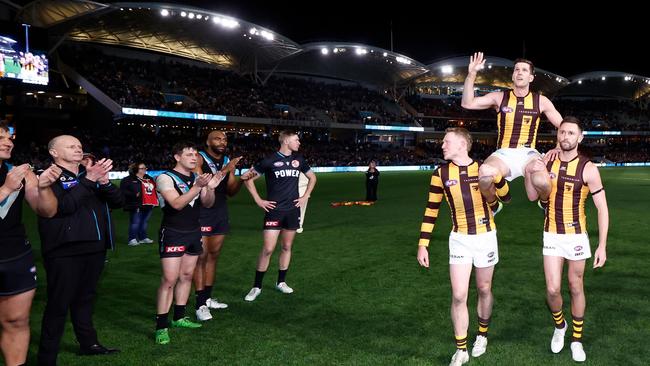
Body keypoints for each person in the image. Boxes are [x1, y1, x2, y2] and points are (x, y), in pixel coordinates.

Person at [417, 128, 509, 366]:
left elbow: (506, 198)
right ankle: (461, 349)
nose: (442, 146)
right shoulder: (440, 173)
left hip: (486, 237)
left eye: (446, 142)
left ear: (461, 144)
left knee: (484, 289)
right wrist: (423, 243)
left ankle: (482, 335)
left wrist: (497, 176)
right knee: (459, 295)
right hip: (459, 239)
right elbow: (431, 209)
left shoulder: (483, 168)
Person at [524, 117, 609, 362]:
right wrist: (530, 173)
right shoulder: (547, 161)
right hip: (551, 233)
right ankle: (560, 326)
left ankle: (577, 339)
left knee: (575, 286)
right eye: (562, 132)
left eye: (571, 133)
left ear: (580, 138)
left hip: (576, 236)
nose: (566, 137)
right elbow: (531, 197)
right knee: (552, 289)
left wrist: (602, 245)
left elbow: (602, 209)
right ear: (557, 135)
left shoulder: (588, 168)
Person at [37, 135, 123, 365]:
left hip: (95, 248)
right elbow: (64, 207)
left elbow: (118, 202)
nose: (78, 149)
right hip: (65, 251)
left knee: (85, 299)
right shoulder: (48, 177)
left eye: (79, 146)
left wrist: (103, 182)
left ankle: (89, 344)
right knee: (58, 304)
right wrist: (90, 180)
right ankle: (47, 358)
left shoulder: (88, 176)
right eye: (71, 146)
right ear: (54, 152)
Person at [461, 52, 562, 206]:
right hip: (504, 154)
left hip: (529, 154)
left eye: (524, 70)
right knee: (484, 174)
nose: (520, 72)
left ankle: (543, 202)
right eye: (516, 70)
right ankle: (495, 204)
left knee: (543, 182)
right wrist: (472, 74)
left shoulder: (541, 101)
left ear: (531, 77)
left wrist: (559, 147)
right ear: (513, 76)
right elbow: (467, 103)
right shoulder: (499, 97)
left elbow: (564, 126)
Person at [0, 122, 59, 366]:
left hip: (15, 256)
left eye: (9, 137)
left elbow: (47, 211)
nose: (8, 141)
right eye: (0, 137)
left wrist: (43, 188)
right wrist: (4, 189)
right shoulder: (11, 180)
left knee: (16, 321)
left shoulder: (19, 172)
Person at [154, 141, 223, 345]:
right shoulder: (165, 177)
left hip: (194, 231)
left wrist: (210, 189)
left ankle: (179, 317)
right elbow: (176, 204)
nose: (194, 158)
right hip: (173, 232)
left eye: (195, 155)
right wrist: (198, 187)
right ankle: (161, 326)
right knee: (169, 279)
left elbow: (208, 203)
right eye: (189, 155)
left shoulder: (196, 177)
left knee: (186, 276)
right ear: (177, 157)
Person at [242, 130, 316, 302]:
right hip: (274, 210)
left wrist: (305, 196)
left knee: (287, 247)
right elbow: (247, 178)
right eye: (296, 139)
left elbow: (312, 178)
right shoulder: (269, 160)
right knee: (268, 249)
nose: (299, 143)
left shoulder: (299, 160)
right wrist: (258, 200)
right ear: (286, 140)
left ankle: (281, 282)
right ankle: (256, 286)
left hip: (292, 210)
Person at [192, 131, 243, 321]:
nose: (222, 142)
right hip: (202, 212)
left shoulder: (227, 160)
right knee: (200, 258)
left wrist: (242, 180)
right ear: (207, 141)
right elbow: (202, 183)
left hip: (220, 213)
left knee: (213, 257)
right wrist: (226, 169)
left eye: (224, 139)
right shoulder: (198, 157)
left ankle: (207, 298)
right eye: (217, 138)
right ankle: (200, 304)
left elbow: (230, 191)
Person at [120, 162, 158, 246]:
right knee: (135, 222)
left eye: (145, 168)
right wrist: (134, 194)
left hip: (148, 204)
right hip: (135, 204)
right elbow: (122, 191)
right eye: (142, 168)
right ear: (136, 169)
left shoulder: (149, 178)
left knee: (144, 221)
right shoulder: (128, 179)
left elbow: (154, 188)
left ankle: (143, 238)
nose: (145, 169)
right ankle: (132, 239)